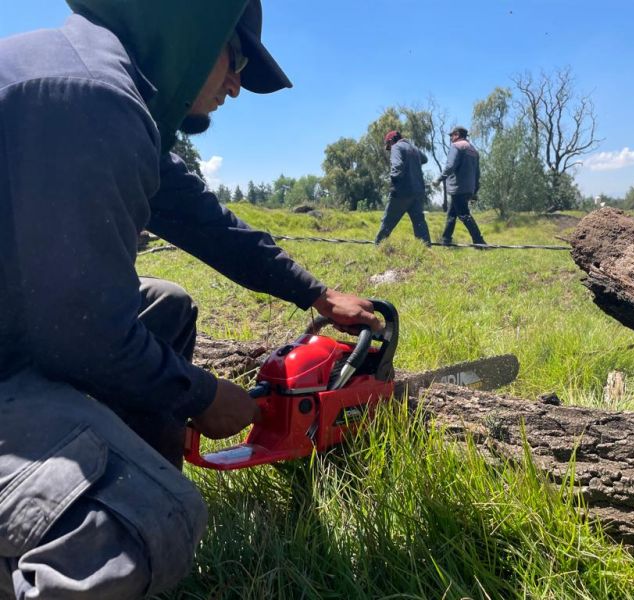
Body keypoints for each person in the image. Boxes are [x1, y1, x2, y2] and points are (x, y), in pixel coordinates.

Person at [0, 1, 381, 598]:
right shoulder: (92, 97)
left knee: (167, 306)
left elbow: (207, 223)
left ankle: (122, 482)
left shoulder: (101, 84)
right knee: (153, 519)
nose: (236, 84)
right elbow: (83, 332)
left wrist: (316, 294)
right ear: (188, 27)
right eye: (236, 58)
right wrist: (202, 396)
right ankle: (109, 523)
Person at [374, 131, 432, 246]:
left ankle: (378, 247)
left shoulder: (396, 147)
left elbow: (397, 166)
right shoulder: (414, 149)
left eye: (388, 146)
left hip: (402, 192)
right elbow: (425, 159)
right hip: (418, 191)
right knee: (419, 223)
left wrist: (394, 181)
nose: (390, 149)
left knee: (387, 222)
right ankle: (426, 250)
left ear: (391, 141)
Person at [433, 126, 487, 247]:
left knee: (464, 214)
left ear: (457, 134)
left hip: (458, 188)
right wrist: (475, 191)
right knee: (452, 214)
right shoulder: (473, 150)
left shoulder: (456, 146)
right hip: (469, 188)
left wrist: (439, 179)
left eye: (451, 135)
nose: (451, 138)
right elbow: (477, 173)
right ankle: (446, 240)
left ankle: (479, 241)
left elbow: (450, 166)